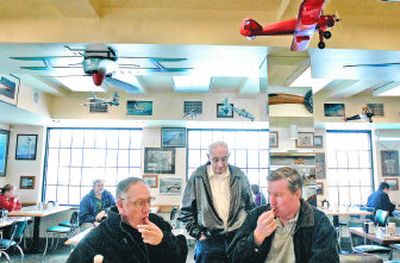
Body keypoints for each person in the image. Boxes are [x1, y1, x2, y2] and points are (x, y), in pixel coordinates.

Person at [228, 167, 339, 263]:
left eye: (278, 195)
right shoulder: (256, 216)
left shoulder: (318, 221)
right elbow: (232, 258)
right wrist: (256, 237)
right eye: (270, 194)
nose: (272, 201)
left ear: (297, 194)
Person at [68, 177, 188, 263]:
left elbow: (180, 257)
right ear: (120, 205)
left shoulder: (157, 223)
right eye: (140, 202)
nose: (147, 209)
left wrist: (163, 242)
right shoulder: (98, 237)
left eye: (149, 201)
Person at [179, 141, 255, 263]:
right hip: (208, 240)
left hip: (237, 238)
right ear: (208, 157)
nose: (220, 164)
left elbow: (251, 207)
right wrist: (199, 235)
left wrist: (247, 233)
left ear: (228, 156)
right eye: (215, 160)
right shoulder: (197, 177)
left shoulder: (239, 175)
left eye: (224, 159)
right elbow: (185, 211)